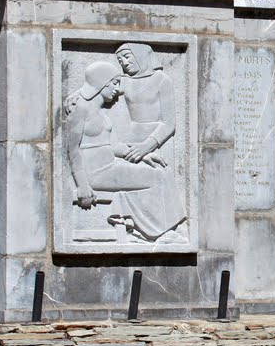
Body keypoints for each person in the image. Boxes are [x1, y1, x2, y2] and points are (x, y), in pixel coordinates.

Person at [64, 61, 186, 242]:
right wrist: (82, 185)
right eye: (114, 83)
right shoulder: (81, 109)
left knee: (162, 172)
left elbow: (113, 146)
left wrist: (143, 155)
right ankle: (160, 232)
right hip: (97, 173)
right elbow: (72, 150)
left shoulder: (99, 111)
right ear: (101, 83)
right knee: (157, 178)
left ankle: (162, 229)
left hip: (110, 167)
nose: (117, 89)